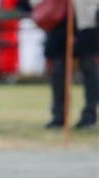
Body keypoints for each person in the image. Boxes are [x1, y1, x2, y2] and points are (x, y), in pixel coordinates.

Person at [41, 0, 98, 129]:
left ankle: (89, 115)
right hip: (60, 15)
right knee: (59, 68)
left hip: (87, 15)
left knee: (89, 66)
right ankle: (59, 115)